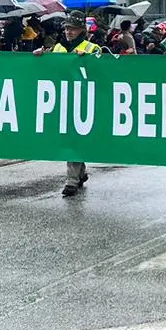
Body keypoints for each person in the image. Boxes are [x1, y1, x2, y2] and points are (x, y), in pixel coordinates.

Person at [35, 11, 99, 196]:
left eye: (73, 28)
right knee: (70, 137)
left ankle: (71, 180)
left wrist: (87, 60)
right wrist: (39, 57)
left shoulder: (92, 48)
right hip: (62, 99)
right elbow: (49, 70)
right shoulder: (58, 49)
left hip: (84, 100)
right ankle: (80, 172)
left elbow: (102, 70)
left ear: (81, 30)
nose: (69, 32)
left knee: (74, 137)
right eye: (67, 28)